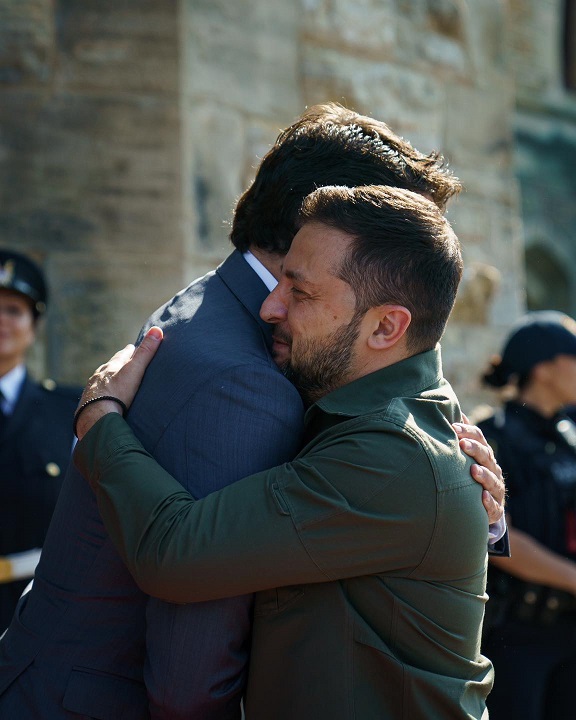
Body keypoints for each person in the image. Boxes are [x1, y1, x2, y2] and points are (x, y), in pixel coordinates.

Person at [0, 104, 505, 719]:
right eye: (388, 217)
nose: (411, 241)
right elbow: (190, 666)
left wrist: (472, 520)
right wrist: (98, 418)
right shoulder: (250, 376)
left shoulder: (221, 311)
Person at [477, 312, 576, 720]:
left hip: (569, 630)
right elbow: (497, 537)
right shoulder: (493, 437)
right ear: (545, 367)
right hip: (514, 637)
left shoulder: (569, 432)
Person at [0, 249, 80, 631]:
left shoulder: (69, 411)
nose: (2, 320)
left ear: (33, 326)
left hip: (38, 613)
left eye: (14, 310)